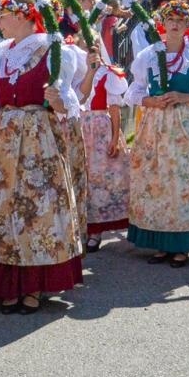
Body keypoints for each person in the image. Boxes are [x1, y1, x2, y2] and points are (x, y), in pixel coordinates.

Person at [0, 0, 85, 313]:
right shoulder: (1, 54)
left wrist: (57, 100)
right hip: (4, 139)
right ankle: (8, 284)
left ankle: (33, 287)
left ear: (22, 16)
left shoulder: (54, 50)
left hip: (37, 138)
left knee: (37, 209)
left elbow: (66, 108)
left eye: (2, 15)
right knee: (2, 208)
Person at [123, 0, 189, 265]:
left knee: (184, 183)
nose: (174, 24)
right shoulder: (148, 55)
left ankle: (183, 244)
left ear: (187, 25)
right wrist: (150, 101)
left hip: (187, 130)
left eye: (180, 20)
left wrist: (183, 97)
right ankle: (161, 242)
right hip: (156, 127)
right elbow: (134, 93)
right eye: (170, 19)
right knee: (158, 183)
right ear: (162, 23)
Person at [80, 40, 129, 251]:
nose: (88, 53)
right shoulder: (75, 74)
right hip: (81, 128)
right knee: (84, 179)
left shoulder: (108, 74)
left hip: (100, 128)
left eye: (92, 49)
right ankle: (86, 226)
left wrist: (115, 136)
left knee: (103, 179)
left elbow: (115, 108)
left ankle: (98, 229)